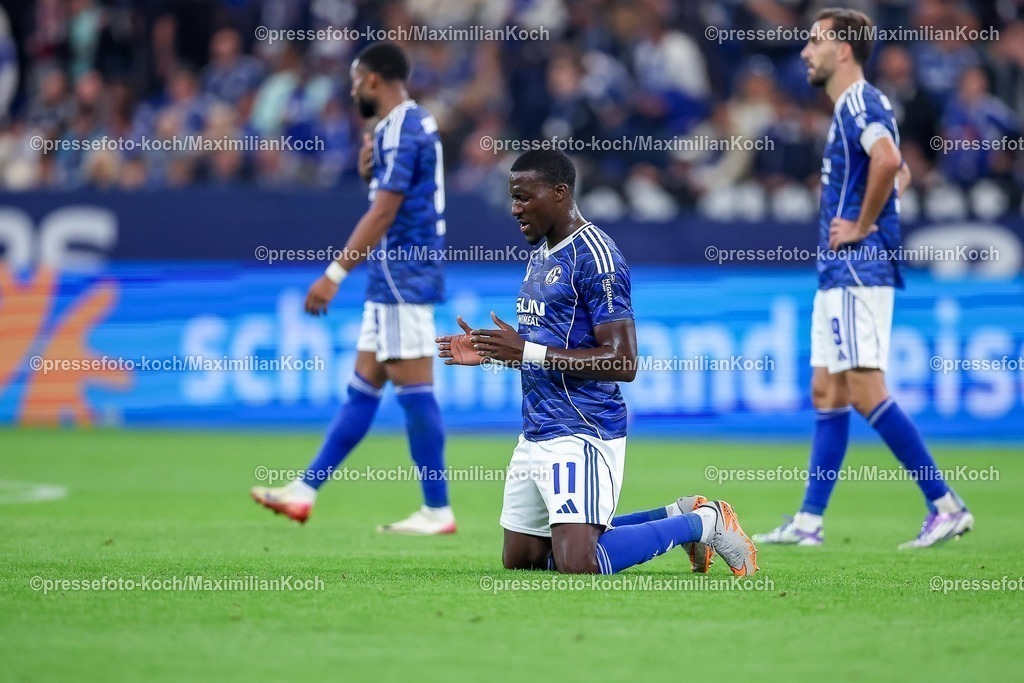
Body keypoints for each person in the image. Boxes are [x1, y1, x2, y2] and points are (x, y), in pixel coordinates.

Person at [436, 149, 757, 575]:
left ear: (560, 193)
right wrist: (497, 353)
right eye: (512, 198)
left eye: (524, 197)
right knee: (525, 562)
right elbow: (547, 349)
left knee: (578, 563)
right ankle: (674, 512)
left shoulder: (596, 257)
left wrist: (526, 352)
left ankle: (704, 522)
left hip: (583, 428)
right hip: (536, 430)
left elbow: (623, 362)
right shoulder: (541, 254)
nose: (515, 209)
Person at [752, 8, 973, 550]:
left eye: (814, 41)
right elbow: (895, 169)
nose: (805, 52)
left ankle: (946, 505)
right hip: (839, 271)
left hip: (856, 266)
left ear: (843, 49)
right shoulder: (852, 108)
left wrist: (862, 223)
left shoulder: (860, 100)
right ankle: (809, 521)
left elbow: (889, 158)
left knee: (865, 387)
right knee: (826, 387)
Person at [251, 42, 454, 534]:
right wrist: (371, 170)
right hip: (403, 272)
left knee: (414, 387)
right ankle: (304, 491)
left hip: (399, 275)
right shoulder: (409, 123)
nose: (350, 90)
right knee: (364, 387)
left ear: (372, 81)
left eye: (355, 80)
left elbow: (384, 212)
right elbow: (400, 191)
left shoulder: (400, 128)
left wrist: (334, 273)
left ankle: (437, 509)